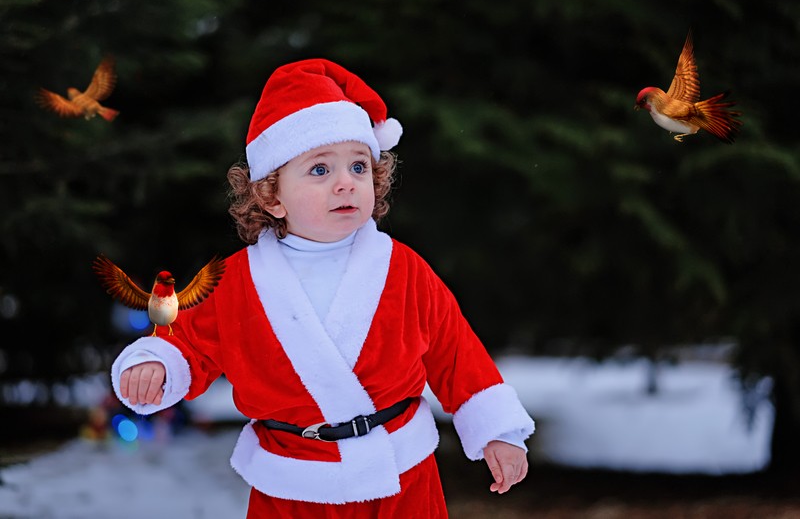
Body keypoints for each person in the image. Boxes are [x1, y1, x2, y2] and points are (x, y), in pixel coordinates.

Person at [111, 58, 535, 517]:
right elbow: (186, 341)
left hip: (401, 472)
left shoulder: (402, 268)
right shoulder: (237, 280)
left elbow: (456, 353)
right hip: (291, 483)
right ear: (271, 196)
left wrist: (497, 430)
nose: (345, 184)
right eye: (319, 170)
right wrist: (156, 363)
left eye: (358, 166)